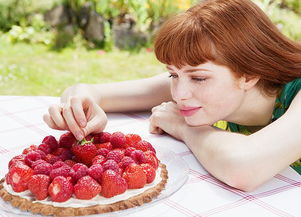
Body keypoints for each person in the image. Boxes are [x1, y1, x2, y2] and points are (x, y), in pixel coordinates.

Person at [43, 0, 301, 192]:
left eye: (198, 78)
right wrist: (79, 102)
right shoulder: (199, 84)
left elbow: (243, 167)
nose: (179, 94)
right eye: (173, 75)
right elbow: (93, 92)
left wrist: (183, 126)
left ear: (248, 74)